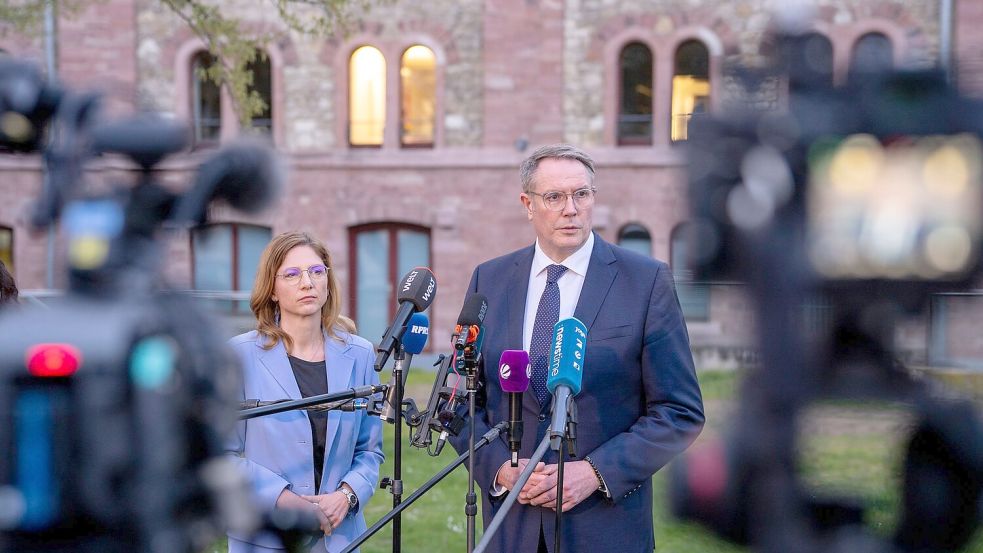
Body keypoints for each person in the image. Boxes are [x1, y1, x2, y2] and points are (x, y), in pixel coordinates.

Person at [450, 144, 705, 552]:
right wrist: (500, 469)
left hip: (604, 528)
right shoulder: (490, 280)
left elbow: (679, 411)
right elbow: (461, 402)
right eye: (554, 197)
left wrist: (595, 472)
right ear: (527, 204)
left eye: (581, 194)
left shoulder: (646, 281)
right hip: (512, 528)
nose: (571, 208)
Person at [226, 231, 384, 553]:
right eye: (292, 274)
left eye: (316, 271)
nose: (307, 283)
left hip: (338, 536)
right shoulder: (238, 356)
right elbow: (221, 453)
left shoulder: (361, 354)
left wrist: (347, 495)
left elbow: (370, 451)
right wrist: (285, 499)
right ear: (272, 289)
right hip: (265, 536)